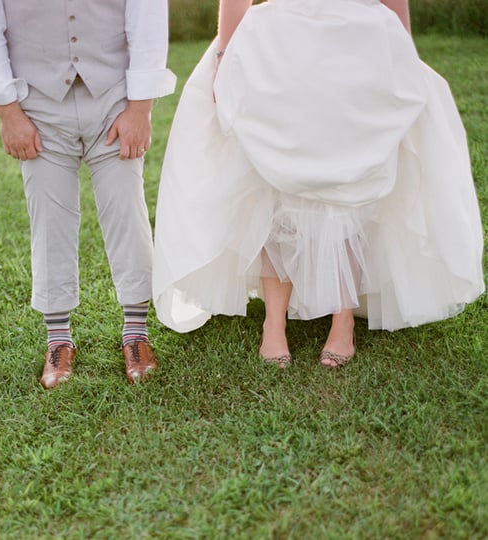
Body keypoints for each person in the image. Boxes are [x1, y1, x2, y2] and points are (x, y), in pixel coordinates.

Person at [152, 0, 484, 368]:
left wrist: (402, 51)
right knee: (274, 179)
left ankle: (343, 322)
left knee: (352, 177)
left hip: (358, 38)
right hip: (278, 40)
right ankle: (273, 324)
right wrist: (224, 55)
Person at [0, 0, 176, 388]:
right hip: (36, 100)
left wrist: (140, 109)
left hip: (114, 97)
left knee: (126, 208)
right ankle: (58, 340)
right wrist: (9, 115)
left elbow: (146, 17)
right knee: (49, 216)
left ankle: (136, 334)